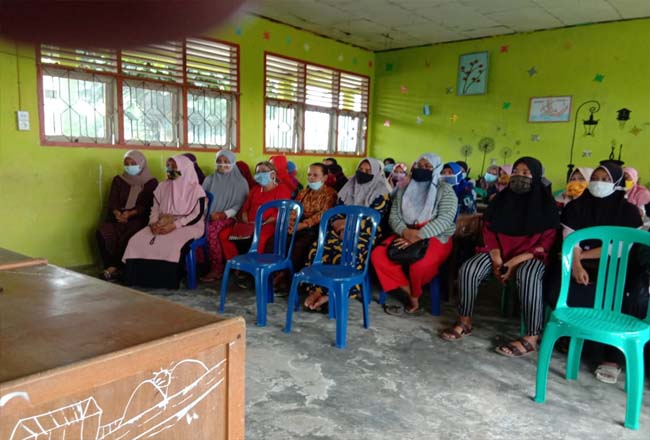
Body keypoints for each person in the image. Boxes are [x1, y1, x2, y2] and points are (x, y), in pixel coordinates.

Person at [441, 157, 560, 359]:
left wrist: (512, 263)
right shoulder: (501, 200)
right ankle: (465, 320)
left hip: (529, 256)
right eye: (516, 171)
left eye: (526, 173)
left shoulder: (547, 205)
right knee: (469, 269)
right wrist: (496, 257)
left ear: (537, 176)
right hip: (496, 252)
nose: (519, 176)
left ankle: (531, 337)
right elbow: (489, 231)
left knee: (529, 276)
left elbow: (546, 243)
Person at [554, 161, 643, 383]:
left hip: (614, 266)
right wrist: (576, 265)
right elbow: (570, 239)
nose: (598, 183)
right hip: (577, 264)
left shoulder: (628, 212)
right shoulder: (576, 206)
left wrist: (582, 257)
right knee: (560, 285)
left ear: (617, 183)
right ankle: (577, 339)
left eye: (605, 180)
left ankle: (611, 359)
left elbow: (619, 246)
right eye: (595, 178)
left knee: (615, 297)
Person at [372, 153, 458, 313]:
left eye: (428, 167)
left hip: (435, 235)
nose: (422, 169)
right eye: (419, 165)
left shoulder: (445, 190)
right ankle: (411, 293)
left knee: (420, 264)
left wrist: (418, 236)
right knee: (378, 255)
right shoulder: (404, 188)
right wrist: (406, 232)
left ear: (436, 169)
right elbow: (394, 216)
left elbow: (445, 219)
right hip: (404, 232)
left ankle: (415, 295)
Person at [303, 158, 391, 310]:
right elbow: (336, 212)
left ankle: (334, 293)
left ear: (376, 173)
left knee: (349, 251)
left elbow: (373, 218)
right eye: (361, 170)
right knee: (320, 246)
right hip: (340, 229)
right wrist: (342, 227)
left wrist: (349, 227)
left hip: (366, 232)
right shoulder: (349, 187)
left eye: (368, 171)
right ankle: (317, 289)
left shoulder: (381, 192)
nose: (363, 173)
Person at [123, 155, 206, 288]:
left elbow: (196, 215)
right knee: (136, 240)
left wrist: (174, 225)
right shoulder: (162, 186)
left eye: (174, 167)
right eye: (168, 166)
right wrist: (153, 223)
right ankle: (137, 278)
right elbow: (155, 208)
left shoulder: (196, 190)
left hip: (189, 225)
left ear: (184, 168)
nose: (169, 169)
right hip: (162, 222)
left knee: (171, 242)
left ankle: (167, 280)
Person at [265, 163, 337, 275]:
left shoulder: (330, 193)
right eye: (309, 175)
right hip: (297, 225)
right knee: (275, 240)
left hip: (315, 228)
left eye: (315, 175)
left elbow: (323, 214)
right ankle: (270, 274)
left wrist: (303, 225)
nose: (311, 178)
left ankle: (289, 279)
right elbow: (295, 209)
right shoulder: (303, 192)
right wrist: (290, 223)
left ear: (324, 177)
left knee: (299, 247)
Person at [96, 150, 158, 281]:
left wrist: (130, 213)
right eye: (127, 163)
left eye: (133, 163)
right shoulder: (119, 180)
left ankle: (118, 268)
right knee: (103, 231)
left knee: (130, 233)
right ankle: (110, 265)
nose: (130, 166)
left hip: (139, 218)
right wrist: (117, 213)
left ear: (141, 164)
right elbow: (112, 201)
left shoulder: (151, 182)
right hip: (118, 217)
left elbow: (147, 205)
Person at [219, 161, 292, 268]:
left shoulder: (282, 190)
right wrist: (245, 218)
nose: (260, 174)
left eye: (264, 171)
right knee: (224, 235)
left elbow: (281, 212)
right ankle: (236, 265)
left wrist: (263, 222)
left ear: (273, 174)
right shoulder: (255, 190)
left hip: (268, 224)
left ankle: (256, 267)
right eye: (258, 172)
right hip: (249, 223)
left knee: (259, 239)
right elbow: (245, 208)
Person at [200, 150, 249, 282]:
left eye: (226, 162)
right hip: (208, 215)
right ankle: (199, 265)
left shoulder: (240, 182)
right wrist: (207, 213)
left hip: (229, 218)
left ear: (233, 162)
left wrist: (223, 214)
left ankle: (217, 268)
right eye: (219, 161)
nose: (222, 165)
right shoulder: (209, 179)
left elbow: (239, 205)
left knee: (212, 230)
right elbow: (202, 199)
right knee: (195, 228)